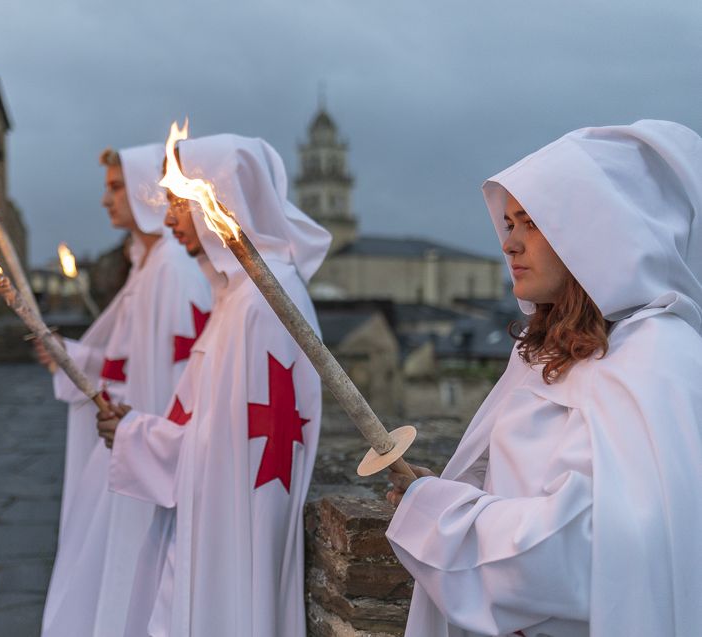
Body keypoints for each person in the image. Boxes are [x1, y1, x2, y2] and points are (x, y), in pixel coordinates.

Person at [385, 120, 702, 637]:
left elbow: (599, 554)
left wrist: (443, 519)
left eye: (531, 223)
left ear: (600, 230)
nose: (509, 244)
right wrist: (438, 492)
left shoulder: (658, 362)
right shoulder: (543, 350)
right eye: (509, 223)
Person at [96, 133, 332, 636]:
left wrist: (137, 437)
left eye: (180, 202)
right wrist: (139, 429)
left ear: (223, 198)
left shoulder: (260, 302)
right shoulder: (239, 295)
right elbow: (215, 426)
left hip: (232, 527)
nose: (169, 219)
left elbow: (231, 449)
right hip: (217, 516)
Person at [40, 145, 212, 637]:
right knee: (94, 559)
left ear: (143, 190)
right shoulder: (148, 264)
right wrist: (72, 356)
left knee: (121, 567)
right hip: (125, 434)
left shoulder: (172, 268)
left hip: (141, 440)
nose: (105, 200)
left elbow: (173, 374)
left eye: (116, 187)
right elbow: (127, 360)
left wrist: (144, 438)